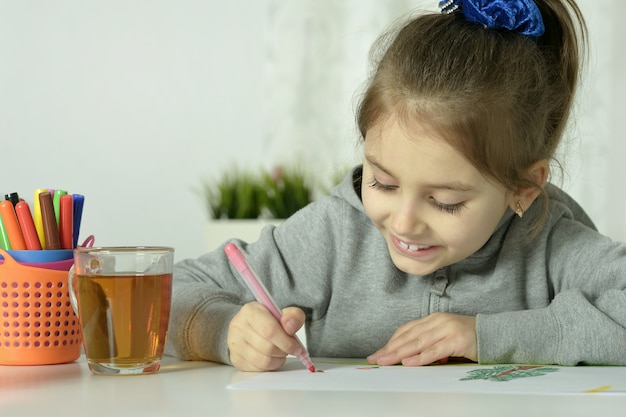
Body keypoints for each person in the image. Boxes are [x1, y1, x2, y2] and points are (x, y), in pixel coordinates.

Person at [165, 0, 626, 372]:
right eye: (382, 183)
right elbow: (170, 290)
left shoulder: (548, 241)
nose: (403, 221)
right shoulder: (334, 235)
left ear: (523, 189)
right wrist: (222, 329)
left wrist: (487, 336)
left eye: (445, 202)